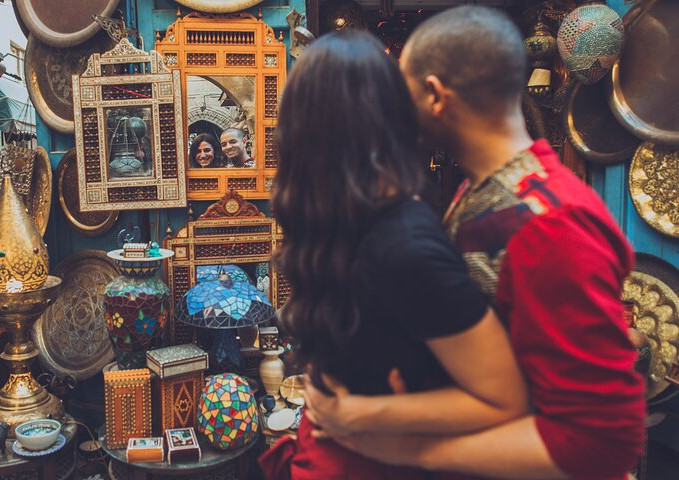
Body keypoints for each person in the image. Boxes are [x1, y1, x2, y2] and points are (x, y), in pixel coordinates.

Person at [303, 6, 646, 480]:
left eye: (401, 94)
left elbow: (604, 444)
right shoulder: (486, 192)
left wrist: (406, 449)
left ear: (434, 95)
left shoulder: (548, 224)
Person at [259, 30, 529, 480]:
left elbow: (502, 396)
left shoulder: (376, 233)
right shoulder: (388, 233)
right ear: (391, 116)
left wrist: (361, 414)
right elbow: (505, 395)